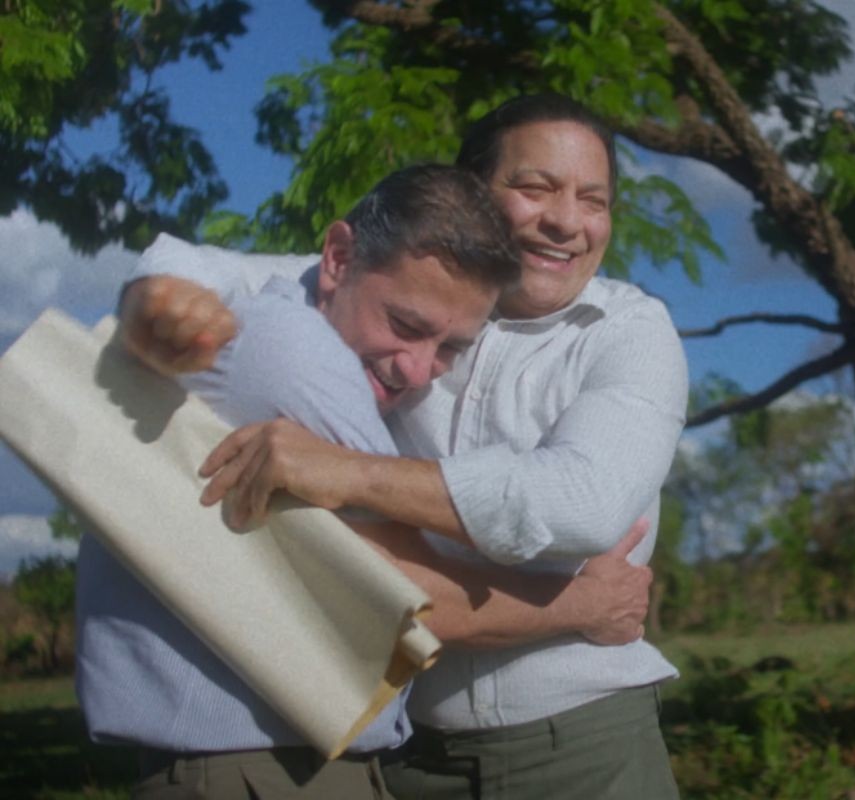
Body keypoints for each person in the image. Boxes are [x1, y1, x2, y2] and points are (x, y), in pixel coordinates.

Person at [123, 93, 688, 799]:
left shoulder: (629, 331)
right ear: (472, 199)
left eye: (593, 199)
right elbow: (205, 267)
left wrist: (353, 474)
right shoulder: (402, 284)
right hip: (409, 756)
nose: (567, 221)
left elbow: (583, 504)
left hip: (585, 744)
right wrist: (154, 296)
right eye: (534, 187)